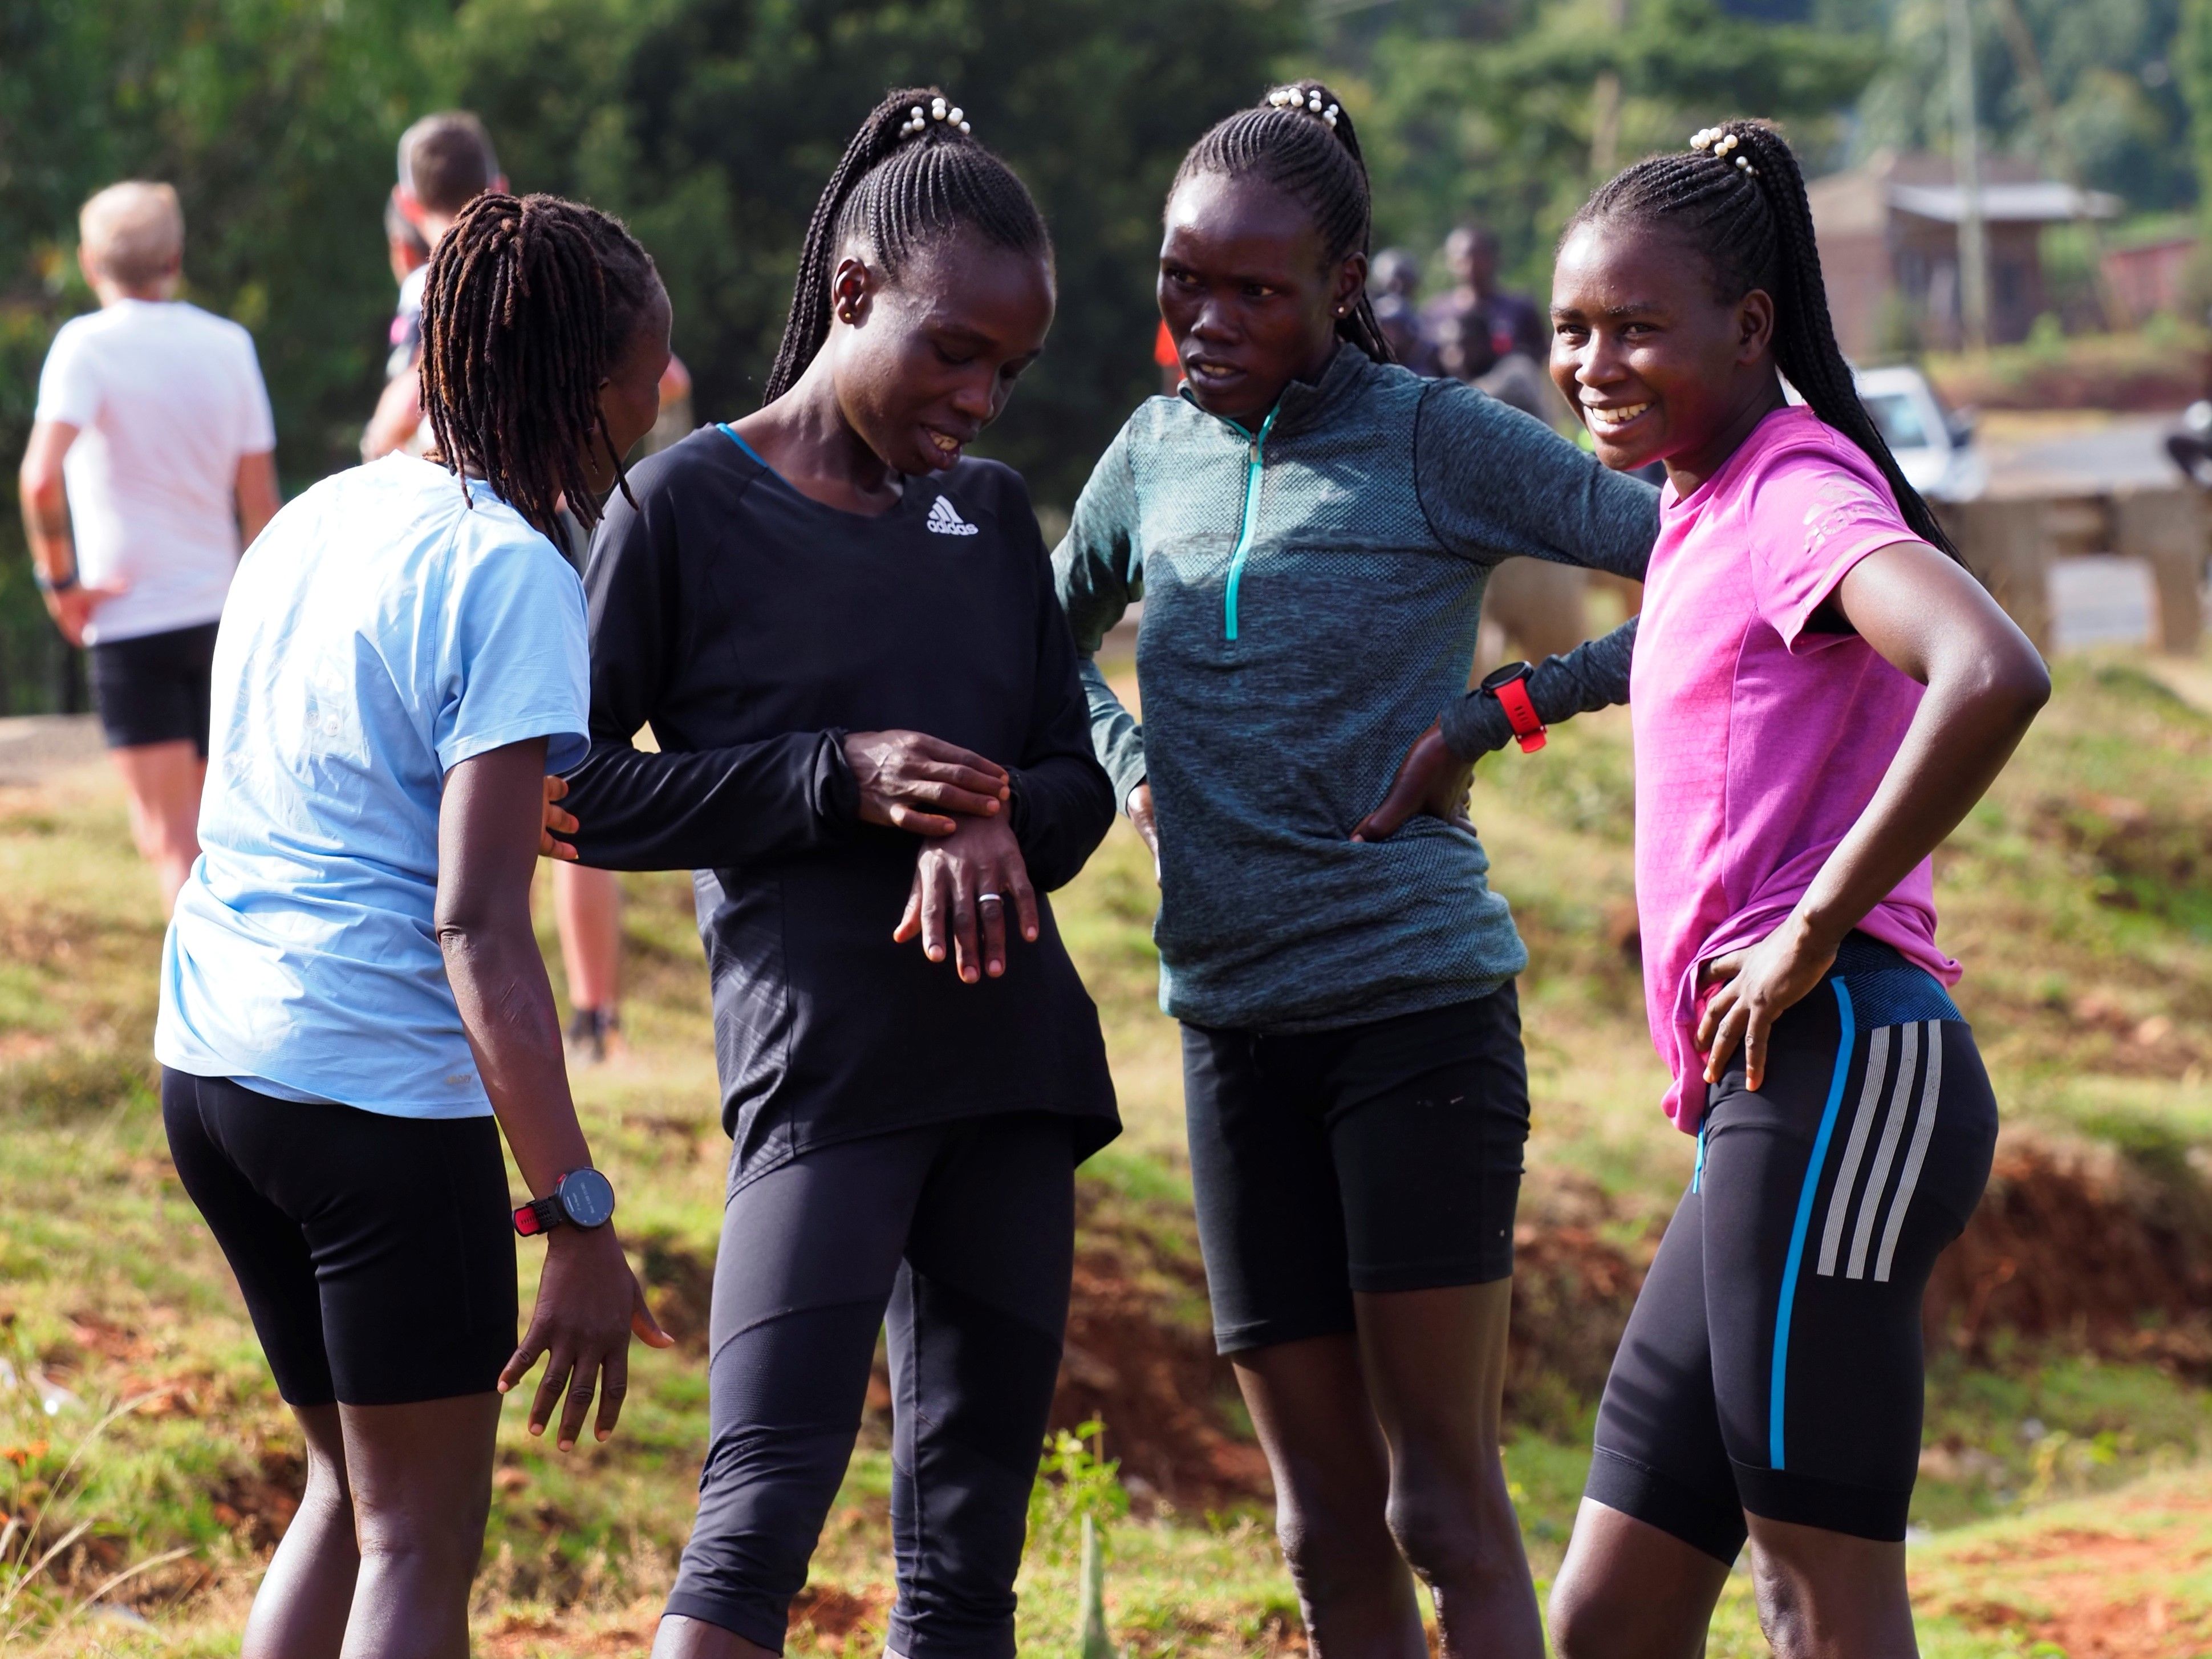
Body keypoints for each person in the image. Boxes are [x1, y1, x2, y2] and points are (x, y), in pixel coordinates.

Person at [1054, 80, 1657, 1659]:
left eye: (1255, 289)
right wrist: (1127, 769)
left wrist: (1499, 709)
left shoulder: (1431, 437)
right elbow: (1025, 647)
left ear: (1340, 290)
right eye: (1184, 280)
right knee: (1316, 1523)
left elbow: (1713, 569)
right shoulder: (1146, 453)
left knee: (1435, 1506)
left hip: (1414, 1017)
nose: (1209, 319)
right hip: (1230, 1027)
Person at [551, 88, 1118, 1659]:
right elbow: (570, 792)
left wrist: (1008, 822)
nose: (982, 396)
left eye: (1008, 366)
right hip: (825, 1079)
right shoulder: (680, 507)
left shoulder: (988, 516)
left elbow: (1072, 774)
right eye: (954, 350)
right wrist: (830, 775)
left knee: (962, 1571)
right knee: (751, 1525)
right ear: (852, 295)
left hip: (1008, 1077)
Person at [1521, 121, 2047, 1657]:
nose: (1589, 360)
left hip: (1841, 1068)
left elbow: (1985, 668)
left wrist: (1812, 919)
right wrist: (1491, 715)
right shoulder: (1701, 501)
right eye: (1570, 328)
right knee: (1609, 1612)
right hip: (1761, 1098)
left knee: (1816, 1593)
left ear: (1746, 326)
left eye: (1633, 326)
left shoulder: (1789, 487)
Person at [153, 192, 675, 1658]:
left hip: (216, 1066)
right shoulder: (511, 568)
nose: (663, 396)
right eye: (654, 368)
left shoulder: (329, 511)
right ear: (586, 389)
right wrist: (571, 1208)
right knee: (422, 1539)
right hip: (370, 1098)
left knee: (348, 1492)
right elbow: (478, 926)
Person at [18, 181, 281, 913]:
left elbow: (40, 479)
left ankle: (199, 1024)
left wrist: (59, 582)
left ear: (87, 260)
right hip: (221, 619)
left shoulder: (83, 347)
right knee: (218, 841)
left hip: (130, 620)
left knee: (170, 845)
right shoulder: (230, 345)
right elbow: (260, 503)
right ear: (175, 256)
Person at [363, 112, 507, 464]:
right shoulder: (540, 268)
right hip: (547, 502)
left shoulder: (429, 284)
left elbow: (412, 394)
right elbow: (665, 377)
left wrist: (376, 441)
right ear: (499, 188)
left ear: (406, 203)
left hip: (468, 493)